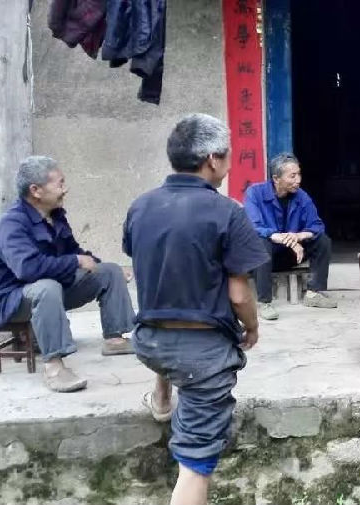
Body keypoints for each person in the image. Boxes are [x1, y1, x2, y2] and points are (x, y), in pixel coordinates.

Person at [124, 113, 269, 505]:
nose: (229, 164)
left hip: (149, 342)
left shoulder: (141, 206)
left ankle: (162, 397)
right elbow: (239, 294)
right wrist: (252, 327)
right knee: (195, 464)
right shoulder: (227, 212)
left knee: (173, 339)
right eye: (227, 156)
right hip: (200, 354)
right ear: (211, 160)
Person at [0, 156, 136, 393]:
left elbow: (74, 251)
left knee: (109, 271)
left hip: (52, 289)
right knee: (47, 287)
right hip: (11, 301)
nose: (65, 189)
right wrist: (75, 261)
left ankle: (115, 339)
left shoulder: (55, 215)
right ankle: (54, 366)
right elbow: (27, 269)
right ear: (35, 190)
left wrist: (95, 264)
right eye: (60, 183)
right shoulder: (12, 223)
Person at [243, 153, 337, 320]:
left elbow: (317, 226)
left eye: (299, 174)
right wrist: (278, 236)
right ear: (276, 178)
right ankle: (264, 302)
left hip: (289, 255)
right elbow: (253, 227)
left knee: (322, 241)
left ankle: (313, 293)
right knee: (261, 242)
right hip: (261, 260)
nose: (298, 180)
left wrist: (298, 236)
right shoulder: (254, 193)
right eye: (292, 176)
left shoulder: (301, 196)